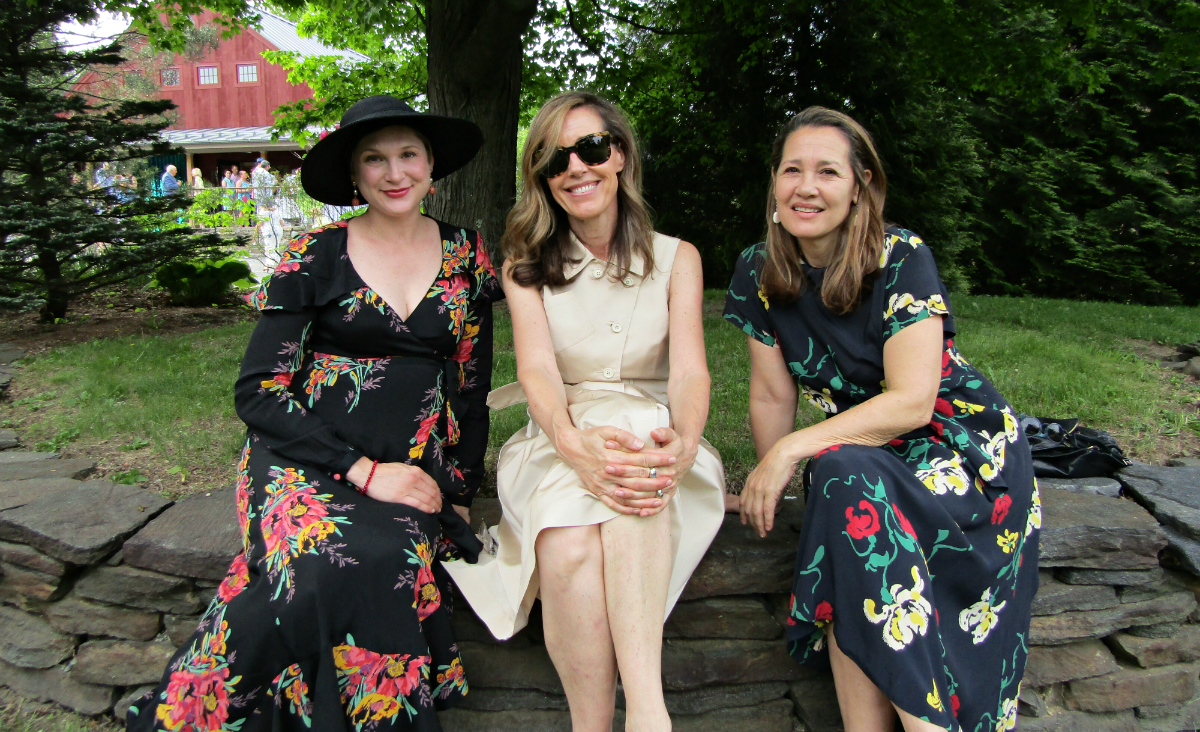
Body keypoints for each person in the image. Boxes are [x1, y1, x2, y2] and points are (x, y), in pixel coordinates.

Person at [126, 94, 495, 730]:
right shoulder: (314, 254)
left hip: (410, 463)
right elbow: (258, 391)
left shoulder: (467, 255)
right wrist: (359, 470)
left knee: (387, 558)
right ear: (355, 176)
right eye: (374, 159)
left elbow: (471, 383)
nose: (394, 172)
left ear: (432, 165)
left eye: (409, 154)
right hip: (304, 460)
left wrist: (458, 489)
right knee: (324, 563)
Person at [724, 107, 1040, 732]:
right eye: (792, 170)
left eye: (827, 172)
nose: (806, 187)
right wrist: (772, 475)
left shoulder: (899, 253)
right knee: (842, 492)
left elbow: (912, 401)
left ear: (860, 185)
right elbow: (769, 393)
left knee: (840, 481)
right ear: (774, 182)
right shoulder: (756, 268)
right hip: (860, 454)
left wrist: (790, 453)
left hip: (959, 452)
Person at [444, 91, 725, 732]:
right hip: (558, 432)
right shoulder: (525, 267)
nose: (576, 167)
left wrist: (683, 442)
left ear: (619, 156)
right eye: (554, 158)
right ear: (542, 177)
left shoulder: (678, 258)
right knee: (567, 546)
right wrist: (571, 443)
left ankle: (646, 713)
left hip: (656, 428)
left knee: (635, 458)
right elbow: (537, 369)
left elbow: (688, 371)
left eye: (592, 148)